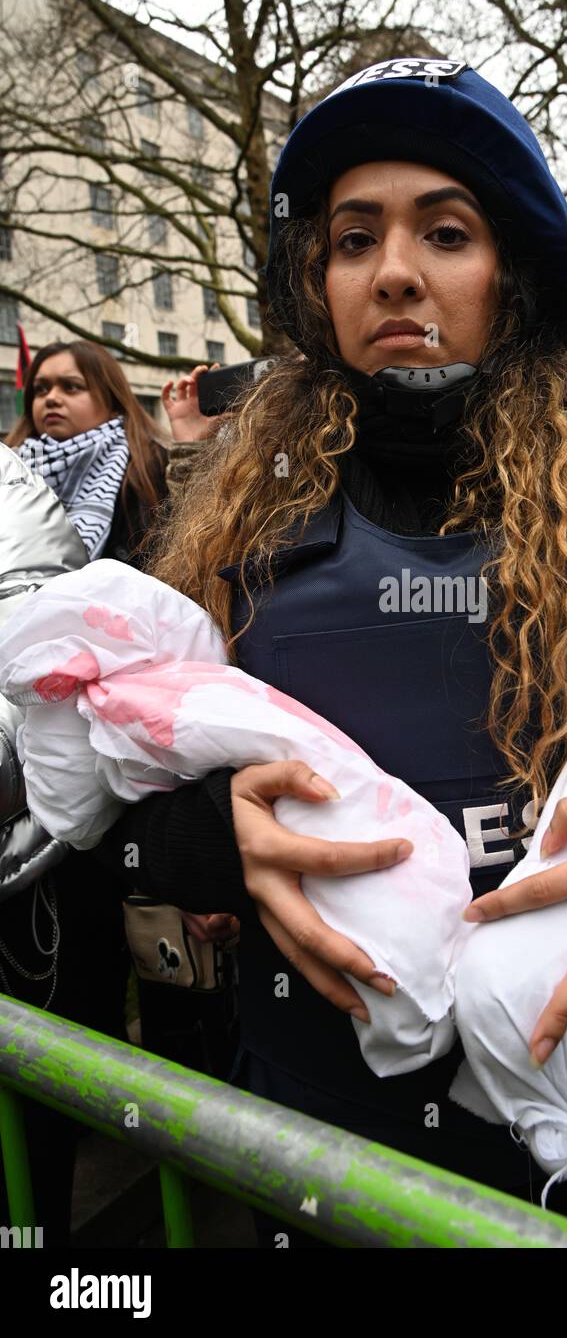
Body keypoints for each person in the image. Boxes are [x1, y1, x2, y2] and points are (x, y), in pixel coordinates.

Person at [89, 58, 567, 1249]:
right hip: (316, 1154)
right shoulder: (233, 523)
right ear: (316, 281)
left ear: (512, 273)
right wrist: (191, 842)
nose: (393, 271)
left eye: (444, 231)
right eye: (352, 238)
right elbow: (99, 815)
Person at [0, 342, 232, 1243]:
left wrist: (187, 453)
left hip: (128, 791)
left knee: (147, 999)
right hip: (37, 811)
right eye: (40, 388)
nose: (52, 399)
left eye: (72, 385)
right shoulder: (16, 486)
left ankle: (185, 1171)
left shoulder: (143, 483)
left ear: (108, 398)